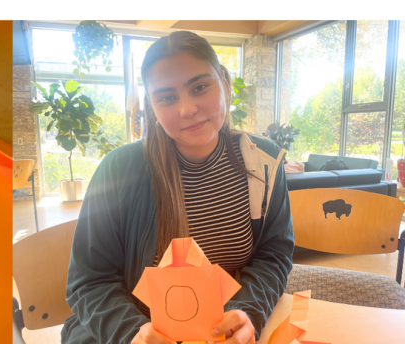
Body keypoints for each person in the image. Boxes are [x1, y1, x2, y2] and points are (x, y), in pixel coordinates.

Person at [60, 31, 294, 344]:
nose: (187, 109)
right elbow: (88, 282)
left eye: (200, 87)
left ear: (224, 83)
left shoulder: (263, 162)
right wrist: (132, 332)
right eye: (167, 97)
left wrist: (247, 311)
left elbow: (273, 256)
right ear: (152, 107)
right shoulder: (119, 169)